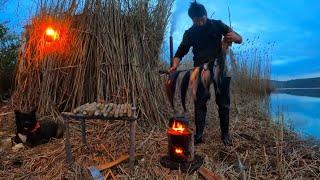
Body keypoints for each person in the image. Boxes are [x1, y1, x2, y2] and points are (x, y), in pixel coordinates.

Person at [168, 2, 242, 146]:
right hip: (200, 71)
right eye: (197, 21)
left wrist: (237, 37)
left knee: (224, 103)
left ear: (206, 14)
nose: (201, 23)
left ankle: (225, 135)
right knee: (200, 103)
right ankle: (199, 135)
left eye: (202, 19)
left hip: (221, 69)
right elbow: (180, 52)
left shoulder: (217, 25)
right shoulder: (189, 33)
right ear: (192, 20)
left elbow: (239, 38)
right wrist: (174, 65)